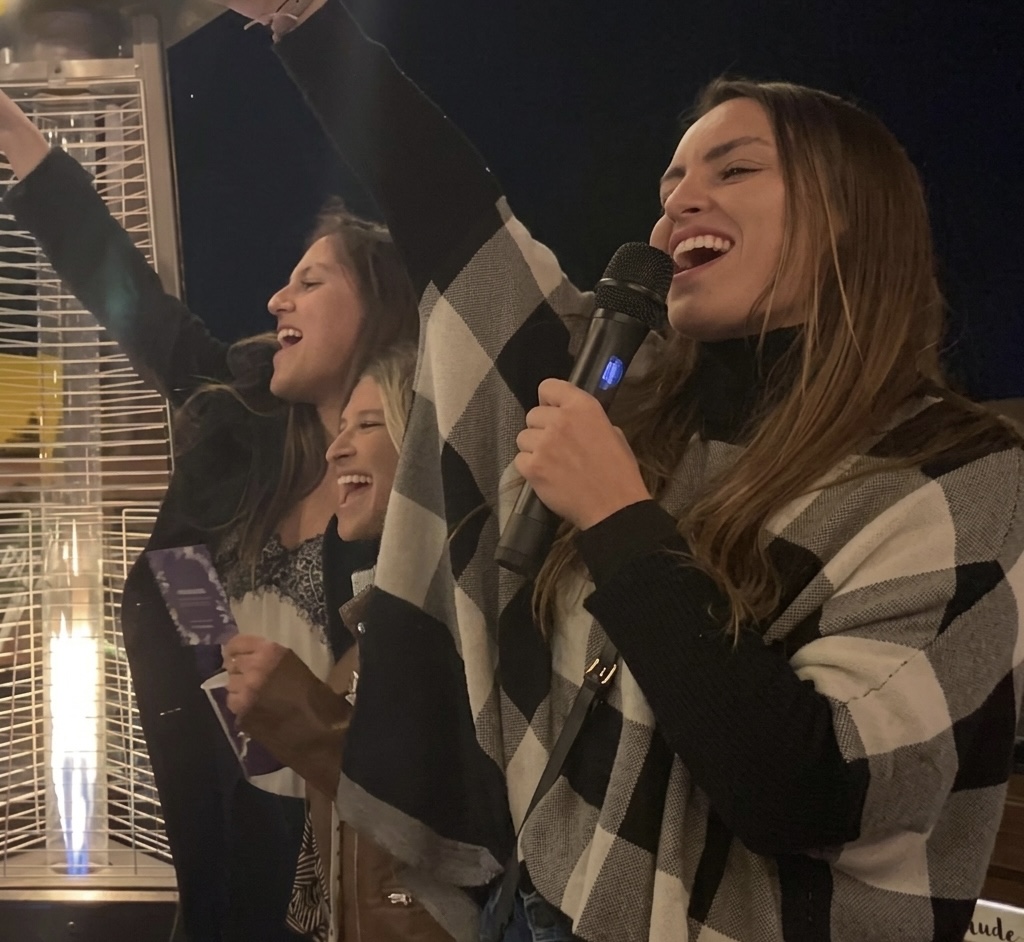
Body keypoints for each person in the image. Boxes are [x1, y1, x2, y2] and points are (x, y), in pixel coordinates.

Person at [219, 2, 1024, 940]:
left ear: (852, 216)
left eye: (735, 169)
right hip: (534, 911)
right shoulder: (630, 400)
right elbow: (457, 223)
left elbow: (813, 794)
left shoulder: (952, 476)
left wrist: (620, 520)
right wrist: (306, 20)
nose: (679, 199)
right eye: (672, 177)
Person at [0, 88, 418, 941]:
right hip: (224, 838)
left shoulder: (422, 499)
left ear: (381, 310)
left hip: (357, 871)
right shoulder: (238, 429)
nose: (277, 300)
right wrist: (12, 132)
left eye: (311, 280)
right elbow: (123, 285)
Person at [220, 343, 454, 942]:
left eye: (369, 425)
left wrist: (294, 707)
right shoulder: (364, 637)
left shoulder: (465, 619)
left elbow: (439, 809)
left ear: (427, 443)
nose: (336, 447)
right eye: (341, 425)